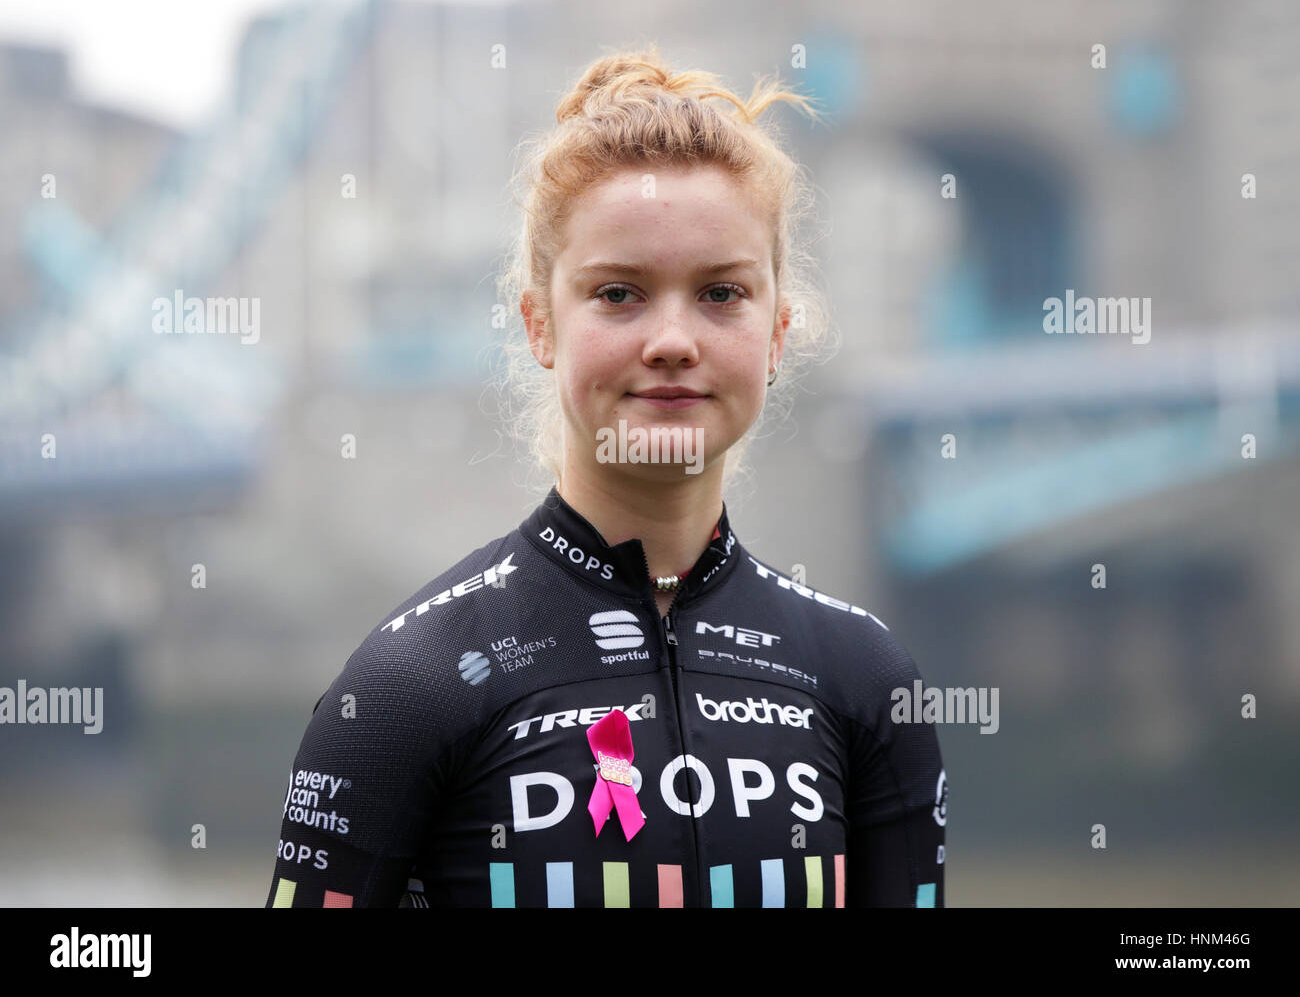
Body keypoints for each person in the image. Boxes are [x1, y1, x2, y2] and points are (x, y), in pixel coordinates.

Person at [265, 45, 946, 908]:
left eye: (722, 293)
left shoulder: (866, 680)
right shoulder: (407, 687)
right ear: (541, 325)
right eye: (620, 294)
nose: (672, 339)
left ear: (777, 334)